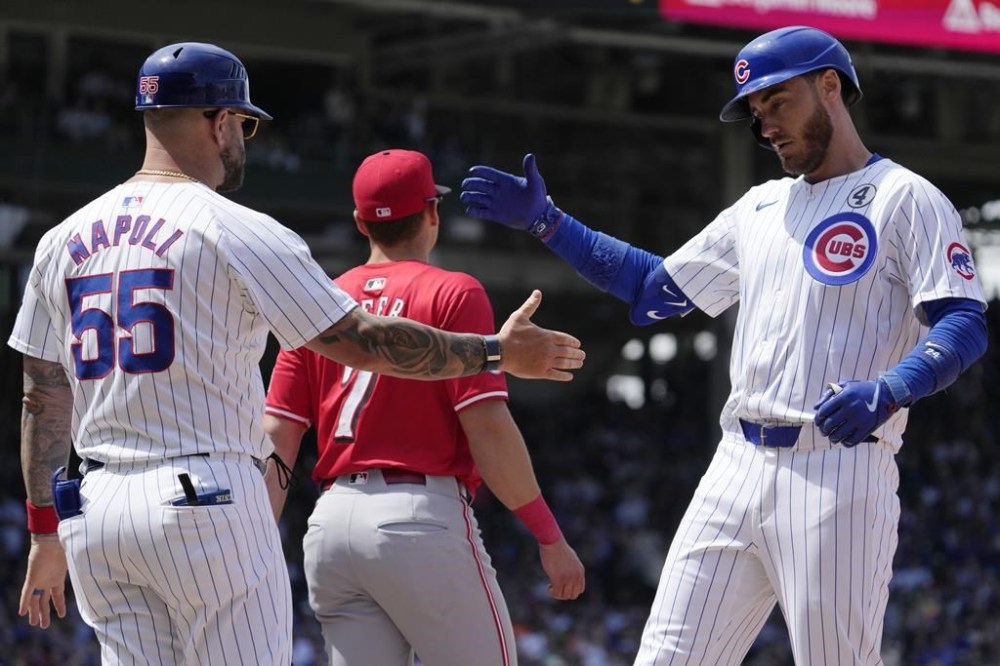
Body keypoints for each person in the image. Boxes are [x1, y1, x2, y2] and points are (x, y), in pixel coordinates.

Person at [9, 42, 584, 665]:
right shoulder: (237, 227)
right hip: (205, 495)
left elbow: (42, 394)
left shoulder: (59, 240)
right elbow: (364, 342)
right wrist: (495, 353)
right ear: (220, 121)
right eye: (245, 124)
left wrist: (45, 532)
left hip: (96, 510)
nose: (243, 140)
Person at [460, 25, 988, 665]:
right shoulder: (761, 206)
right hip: (735, 463)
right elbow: (654, 288)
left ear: (830, 86)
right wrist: (551, 223)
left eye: (778, 102)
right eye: (757, 114)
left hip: (837, 468)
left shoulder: (908, 199)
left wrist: (894, 387)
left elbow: (962, 319)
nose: (766, 125)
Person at [262, 148, 586, 666]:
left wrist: (254, 541)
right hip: (417, 518)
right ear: (433, 212)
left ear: (359, 222)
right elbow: (488, 428)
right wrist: (549, 535)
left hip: (331, 526)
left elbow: (277, 433)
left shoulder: (319, 302)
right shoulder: (454, 292)